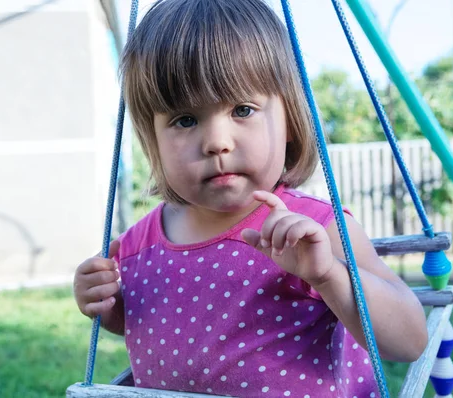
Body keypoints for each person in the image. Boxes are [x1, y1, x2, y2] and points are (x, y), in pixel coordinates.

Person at [73, 0, 428, 396]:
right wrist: (109, 304)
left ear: (291, 120)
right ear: (153, 139)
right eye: (185, 120)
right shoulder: (138, 244)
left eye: (243, 109)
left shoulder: (316, 229)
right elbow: (143, 324)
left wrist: (329, 275)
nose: (216, 143)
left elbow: (409, 340)